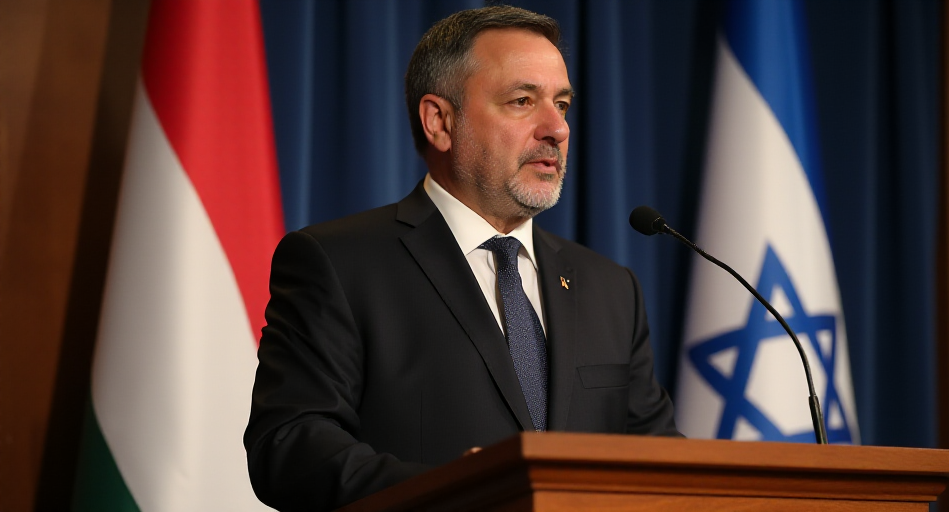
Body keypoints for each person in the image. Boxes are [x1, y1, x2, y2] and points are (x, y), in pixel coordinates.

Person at [244, 6, 679, 511]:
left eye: (562, 104)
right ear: (440, 121)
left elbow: (660, 463)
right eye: (522, 100)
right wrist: (462, 493)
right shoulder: (338, 263)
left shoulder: (610, 287)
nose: (556, 129)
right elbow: (289, 447)